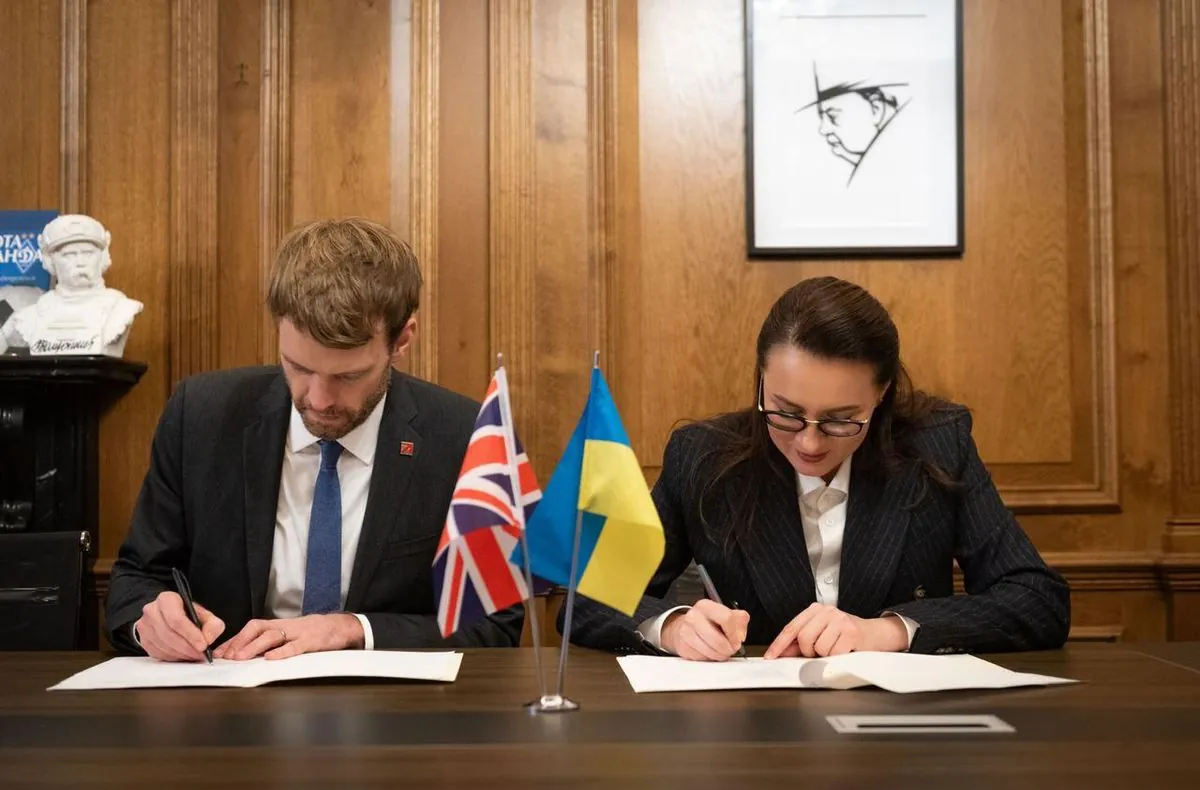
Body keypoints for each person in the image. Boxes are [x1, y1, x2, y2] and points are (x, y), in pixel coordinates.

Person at [564, 276, 1070, 660]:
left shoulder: (937, 446)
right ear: (761, 380)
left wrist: (888, 631)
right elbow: (586, 598)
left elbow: (1038, 600)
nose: (809, 442)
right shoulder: (703, 457)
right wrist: (673, 626)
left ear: (882, 394)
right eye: (785, 412)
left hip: (902, 737)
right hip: (753, 732)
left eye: (841, 420)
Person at [106, 217, 521, 661]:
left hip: (390, 700)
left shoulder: (465, 436)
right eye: (299, 368)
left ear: (401, 341)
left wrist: (354, 629)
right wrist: (150, 622)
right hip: (227, 689)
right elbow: (136, 578)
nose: (319, 401)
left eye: (349, 376)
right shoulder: (202, 416)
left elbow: (495, 624)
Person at [1, 214, 142, 356]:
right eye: (69, 254)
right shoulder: (29, 317)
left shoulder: (121, 309)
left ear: (103, 257)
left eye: (88, 253)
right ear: (50, 261)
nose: (80, 262)